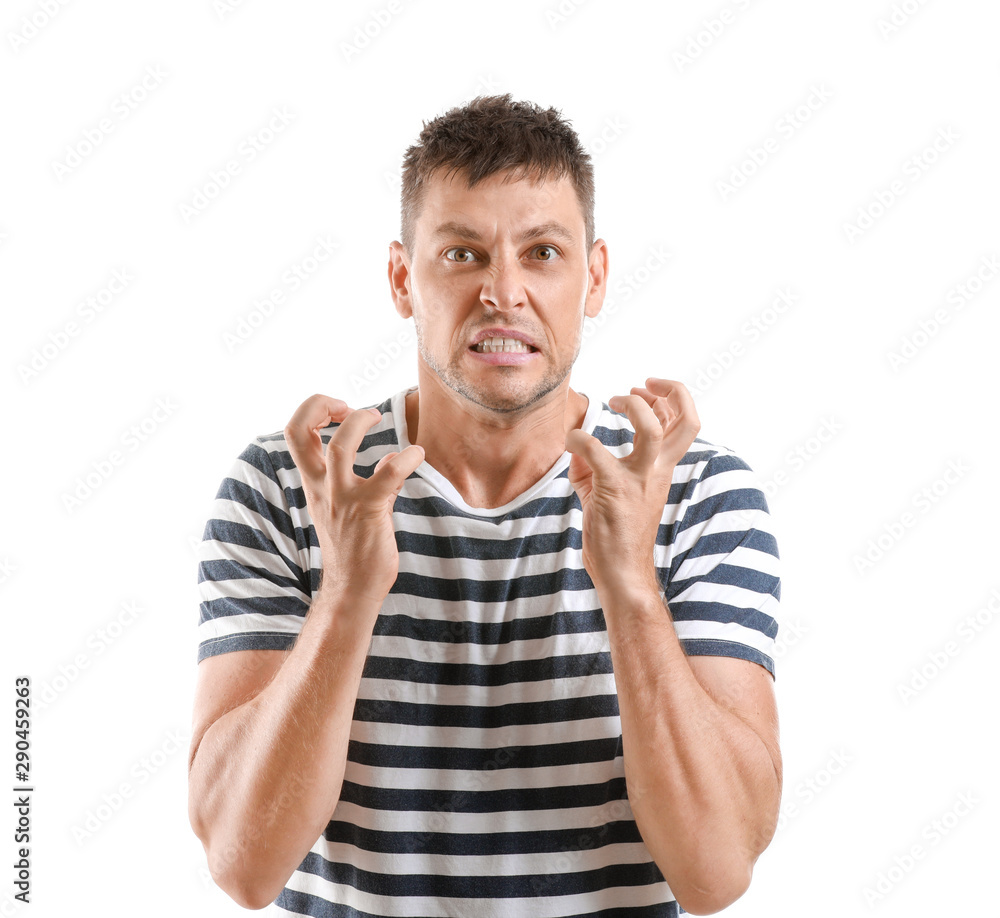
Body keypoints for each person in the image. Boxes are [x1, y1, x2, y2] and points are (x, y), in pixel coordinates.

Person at [188, 94, 782, 917]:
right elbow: (240, 863)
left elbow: (716, 872)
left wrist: (631, 588)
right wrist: (348, 595)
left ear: (594, 276)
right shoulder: (293, 483)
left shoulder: (690, 491)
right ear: (404, 279)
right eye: (463, 254)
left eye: (542, 252)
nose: (504, 292)